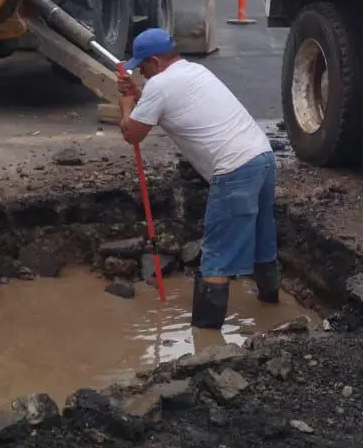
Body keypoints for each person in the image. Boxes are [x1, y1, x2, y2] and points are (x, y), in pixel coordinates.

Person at [117, 28, 278, 329]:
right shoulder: (193, 71)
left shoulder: (160, 86)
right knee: (263, 240)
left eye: (142, 67)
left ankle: (206, 340)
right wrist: (138, 95)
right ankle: (271, 306)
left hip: (234, 170)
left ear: (154, 61)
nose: (141, 72)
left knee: (216, 255)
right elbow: (159, 106)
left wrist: (126, 102)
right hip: (263, 157)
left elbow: (131, 132)